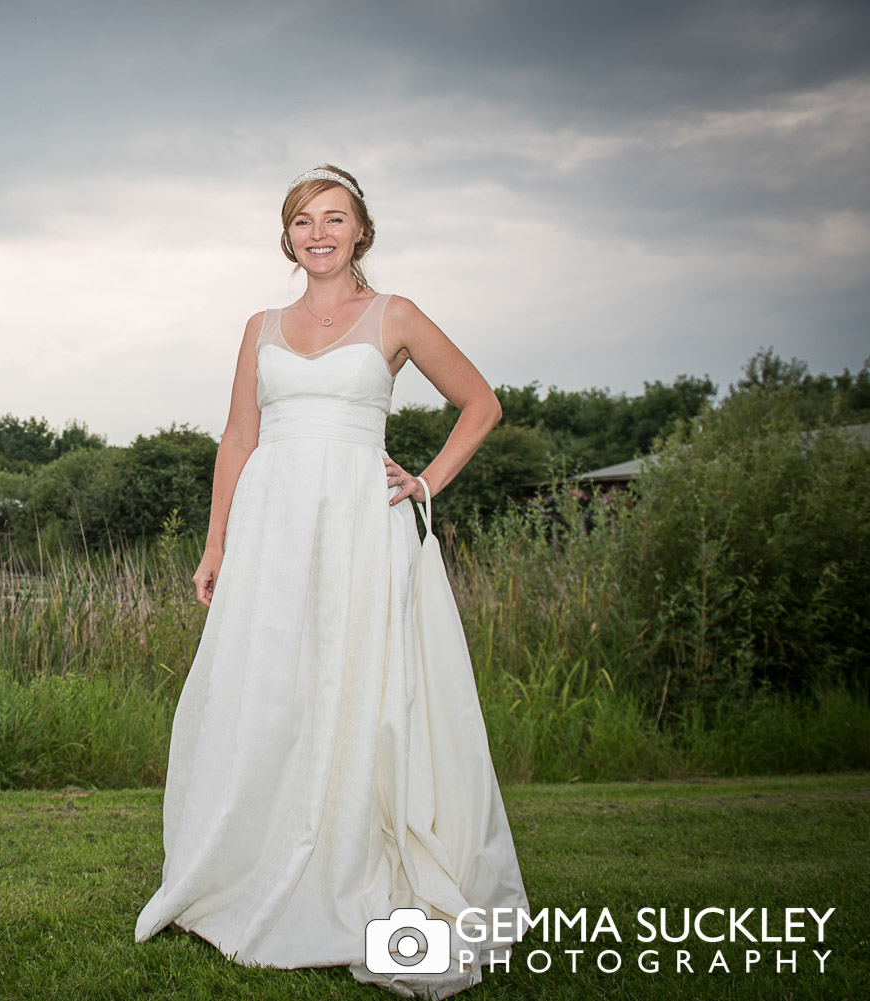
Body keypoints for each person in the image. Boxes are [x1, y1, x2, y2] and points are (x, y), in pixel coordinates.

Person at [134, 164, 531, 999]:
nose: (319, 232)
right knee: (271, 690)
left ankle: (358, 859)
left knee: (361, 693)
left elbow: (482, 404)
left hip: (359, 526)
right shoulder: (260, 325)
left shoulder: (395, 315)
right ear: (288, 237)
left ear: (361, 232)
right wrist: (216, 544)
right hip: (273, 533)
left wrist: (425, 481)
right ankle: (253, 861)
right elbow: (238, 439)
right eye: (304, 221)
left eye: (335, 218)